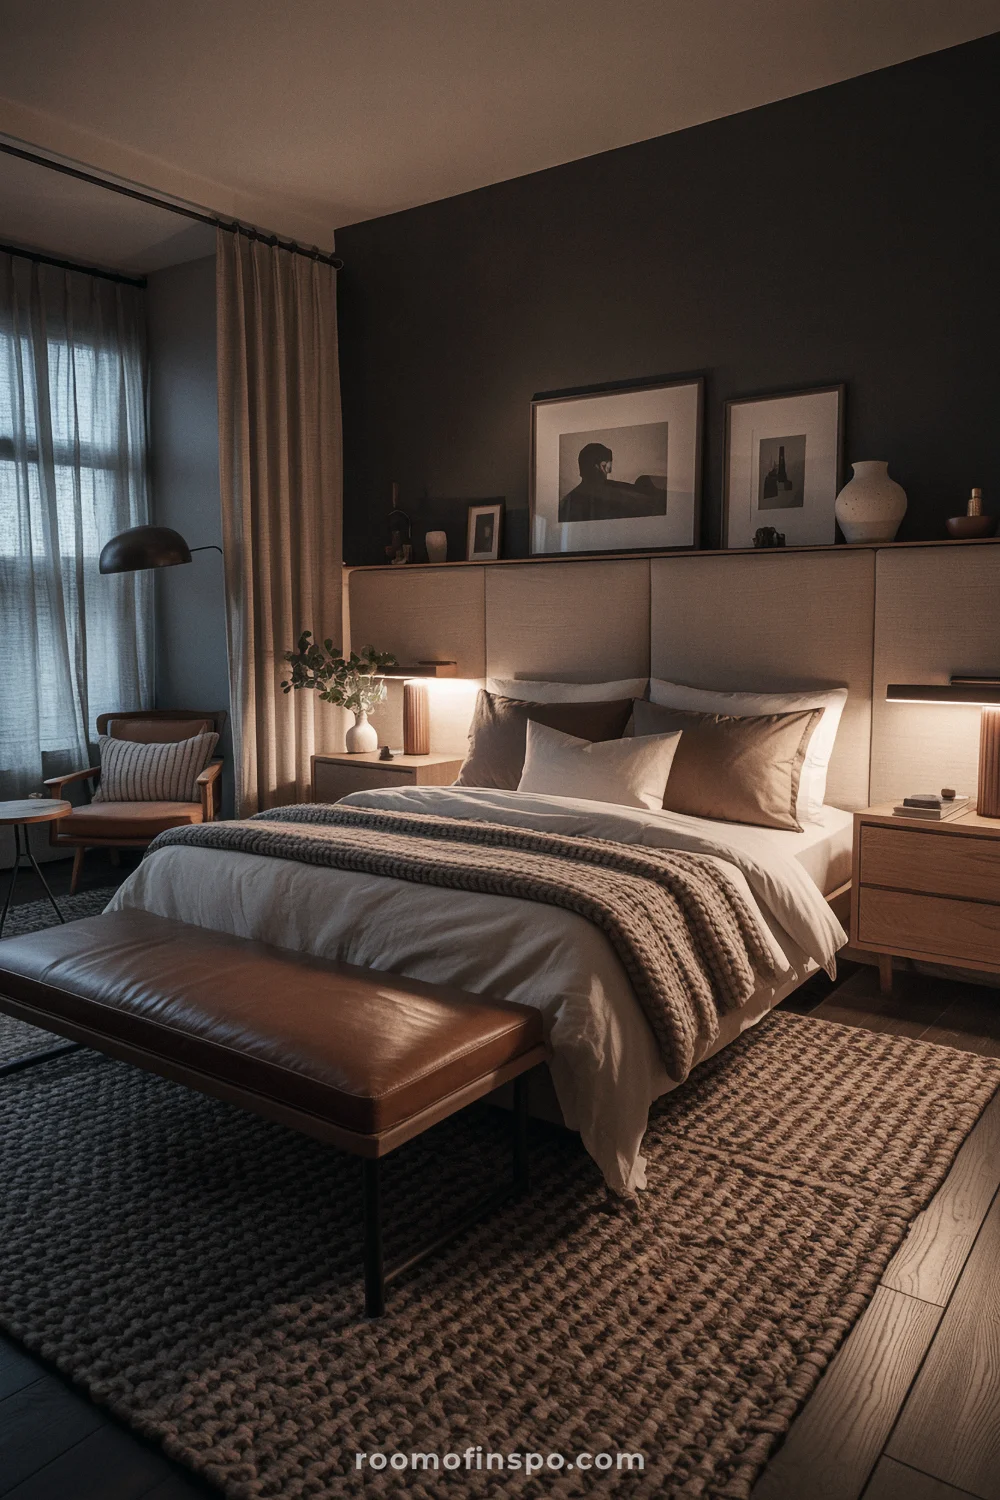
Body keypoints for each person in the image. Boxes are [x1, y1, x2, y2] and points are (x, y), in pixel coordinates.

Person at [559, 442, 666, 523]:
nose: (609, 471)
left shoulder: (565, 503)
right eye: (608, 466)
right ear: (601, 466)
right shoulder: (617, 492)